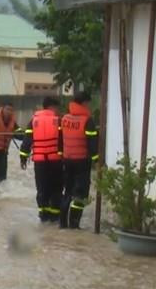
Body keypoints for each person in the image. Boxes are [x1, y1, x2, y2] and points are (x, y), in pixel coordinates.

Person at [20, 97, 64, 223]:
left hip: (39, 162)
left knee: (42, 189)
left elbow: (26, 141)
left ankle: (43, 216)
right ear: (52, 107)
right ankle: (54, 217)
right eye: (57, 108)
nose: (58, 110)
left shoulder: (33, 121)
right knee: (56, 189)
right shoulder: (59, 121)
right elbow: (63, 141)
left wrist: (23, 157)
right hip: (55, 161)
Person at [59, 92, 98, 229]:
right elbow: (92, 143)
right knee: (80, 194)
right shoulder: (87, 121)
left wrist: (61, 155)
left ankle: (62, 224)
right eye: (88, 103)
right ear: (84, 103)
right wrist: (97, 160)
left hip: (67, 160)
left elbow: (60, 139)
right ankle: (74, 225)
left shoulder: (64, 118)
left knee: (68, 191)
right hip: (82, 161)